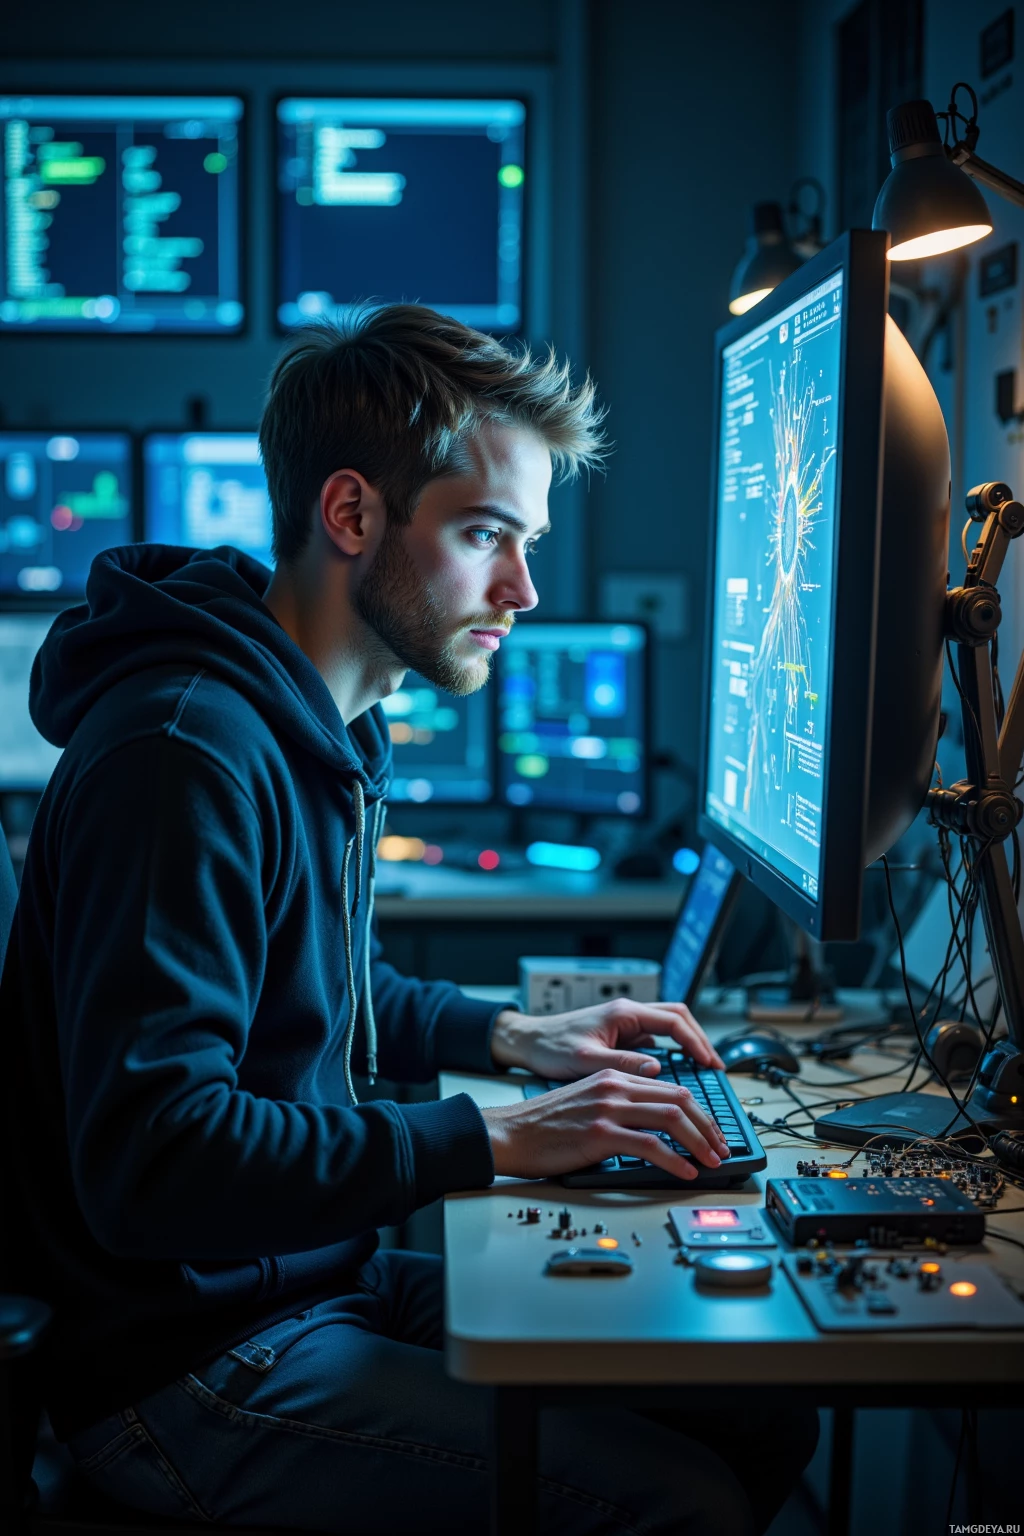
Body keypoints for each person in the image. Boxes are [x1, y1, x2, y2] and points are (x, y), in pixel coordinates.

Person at [1, 305, 817, 1535]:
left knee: (757, 1406)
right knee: (676, 1502)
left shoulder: (312, 723)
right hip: (182, 1362)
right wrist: (492, 1137)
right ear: (351, 514)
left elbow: (327, 987)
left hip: (299, 1283)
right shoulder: (184, 753)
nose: (523, 589)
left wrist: (512, 1039)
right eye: (486, 533)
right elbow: (156, 1161)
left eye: (526, 542)